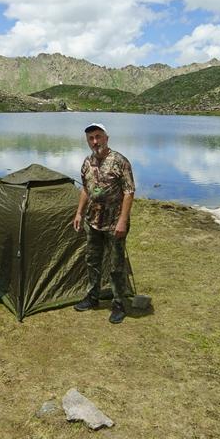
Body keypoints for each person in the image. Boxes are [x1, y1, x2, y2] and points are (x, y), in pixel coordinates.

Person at [72, 122, 135, 324]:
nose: (95, 141)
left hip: (114, 223)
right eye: (91, 138)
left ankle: (118, 304)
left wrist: (123, 220)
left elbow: (129, 191)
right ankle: (92, 297)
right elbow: (85, 189)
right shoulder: (86, 162)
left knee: (116, 265)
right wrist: (79, 213)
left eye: (98, 136)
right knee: (93, 261)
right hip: (93, 222)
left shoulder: (119, 161)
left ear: (107, 138)